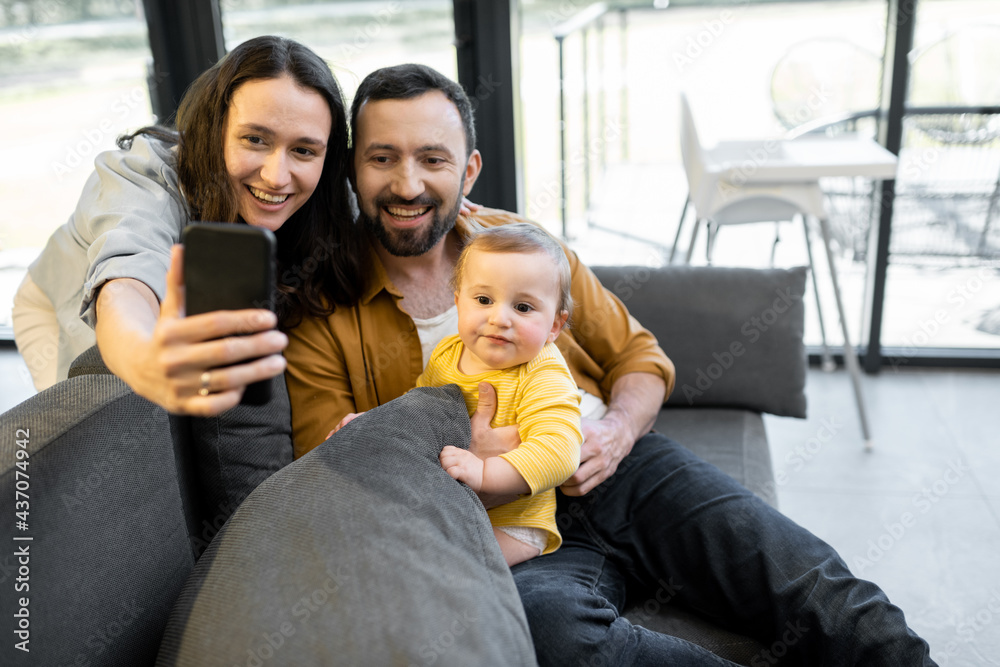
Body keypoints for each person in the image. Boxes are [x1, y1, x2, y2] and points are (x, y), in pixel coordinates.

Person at [284, 62, 935, 665]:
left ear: (470, 169)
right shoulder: (322, 307)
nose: (407, 183)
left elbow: (640, 356)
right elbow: (340, 469)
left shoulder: (522, 246)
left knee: (816, 591)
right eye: (382, 158)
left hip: (623, 471)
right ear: (351, 170)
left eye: (433, 158)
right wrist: (473, 451)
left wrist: (617, 429)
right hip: (510, 527)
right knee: (555, 636)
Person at [11, 35, 363, 415]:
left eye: (303, 150)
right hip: (57, 304)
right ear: (215, 128)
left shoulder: (333, 196)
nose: (277, 177)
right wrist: (146, 361)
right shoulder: (144, 178)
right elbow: (127, 283)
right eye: (255, 139)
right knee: (94, 422)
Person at [419, 222, 582, 566]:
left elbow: (561, 451)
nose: (499, 319)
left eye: (522, 308)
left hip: (514, 523)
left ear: (554, 325)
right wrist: (373, 424)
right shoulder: (447, 353)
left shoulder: (541, 370)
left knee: (450, 567)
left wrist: (484, 474)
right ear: (457, 303)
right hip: (452, 507)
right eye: (483, 300)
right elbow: (417, 410)